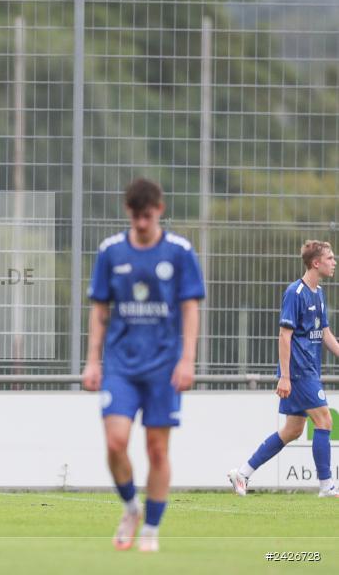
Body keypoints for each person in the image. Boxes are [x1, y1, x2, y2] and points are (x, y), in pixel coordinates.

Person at [82, 178, 205, 552]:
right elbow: (100, 308)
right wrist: (92, 361)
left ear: (159, 211)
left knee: (156, 449)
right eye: (135, 217)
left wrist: (187, 360)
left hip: (164, 367)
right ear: (128, 213)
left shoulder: (180, 252)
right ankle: (131, 508)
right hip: (120, 365)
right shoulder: (111, 251)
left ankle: (151, 528)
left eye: (147, 217)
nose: (141, 224)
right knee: (116, 442)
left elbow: (190, 308)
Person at [228, 240, 338, 498]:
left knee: (292, 430)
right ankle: (326, 485)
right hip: (299, 373)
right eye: (330, 258)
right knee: (325, 420)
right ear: (316, 263)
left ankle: (242, 473)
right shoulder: (295, 293)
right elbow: (284, 336)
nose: (334, 262)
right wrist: (285, 377)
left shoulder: (319, 293)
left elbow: (326, 334)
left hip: (309, 371)